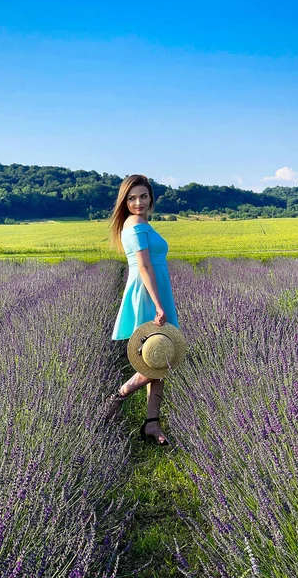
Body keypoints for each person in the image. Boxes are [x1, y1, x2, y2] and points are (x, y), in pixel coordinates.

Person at [107, 174, 179, 445]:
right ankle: (118, 396)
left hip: (154, 292)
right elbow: (145, 267)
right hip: (148, 296)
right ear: (124, 201)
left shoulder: (141, 223)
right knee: (161, 359)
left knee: (158, 359)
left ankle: (152, 423)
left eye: (143, 196)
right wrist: (159, 305)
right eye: (132, 197)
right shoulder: (135, 224)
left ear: (151, 198)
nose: (138, 202)